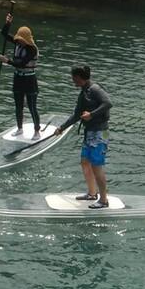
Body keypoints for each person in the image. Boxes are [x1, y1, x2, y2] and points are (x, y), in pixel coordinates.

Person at [54, 66, 112, 209]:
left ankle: (104, 200)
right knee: (85, 162)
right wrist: (62, 128)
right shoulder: (83, 92)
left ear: (80, 77)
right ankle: (92, 193)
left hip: (100, 133)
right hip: (89, 133)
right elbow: (76, 115)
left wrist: (91, 114)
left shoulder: (95, 89)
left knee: (96, 166)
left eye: (74, 77)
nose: (72, 80)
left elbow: (108, 103)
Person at [0, 12, 40, 137]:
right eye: (18, 39)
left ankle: (37, 131)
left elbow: (22, 63)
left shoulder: (32, 49)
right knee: (18, 106)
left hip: (29, 80)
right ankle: (19, 128)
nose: (19, 41)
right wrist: (8, 23)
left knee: (32, 106)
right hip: (18, 78)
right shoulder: (17, 43)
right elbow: (4, 34)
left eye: (21, 40)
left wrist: (7, 61)